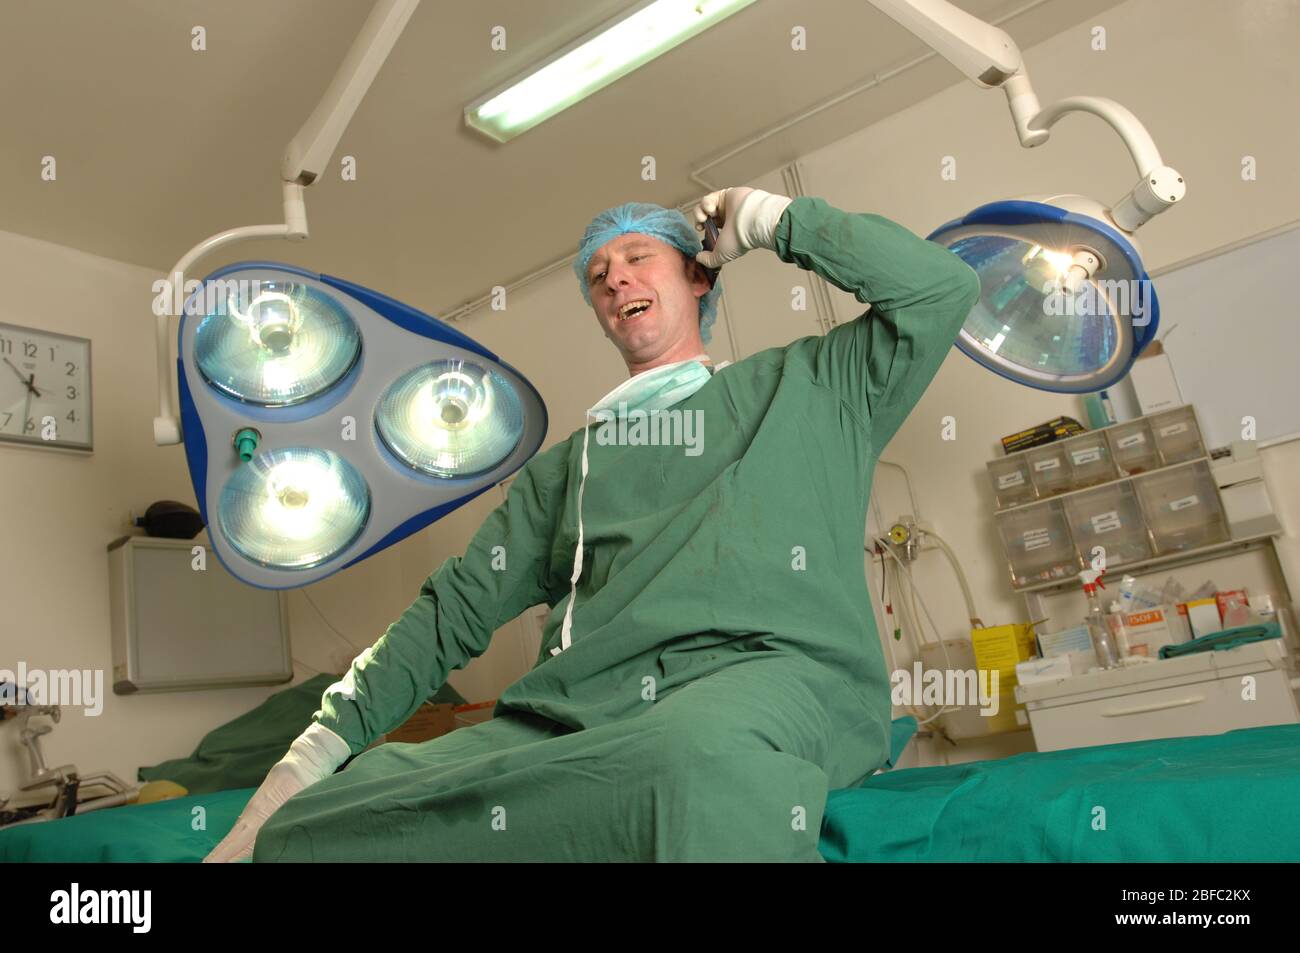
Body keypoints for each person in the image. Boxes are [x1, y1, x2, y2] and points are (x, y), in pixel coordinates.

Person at [204, 187, 980, 863]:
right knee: (327, 818)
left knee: (692, 764)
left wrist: (771, 218)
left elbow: (939, 289)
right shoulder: (563, 472)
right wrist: (309, 760)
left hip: (760, 683)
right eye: (599, 276)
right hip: (567, 720)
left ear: (700, 275)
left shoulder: (812, 386)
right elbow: (450, 613)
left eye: (639, 257)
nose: (616, 278)